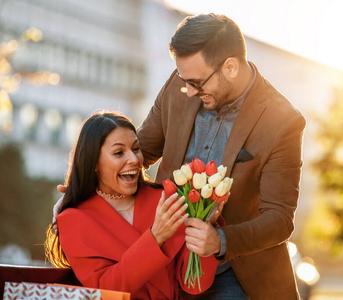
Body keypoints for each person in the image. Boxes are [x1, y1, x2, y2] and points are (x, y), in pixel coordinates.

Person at [136, 13, 307, 299]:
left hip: (235, 275)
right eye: (184, 79)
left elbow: (279, 219)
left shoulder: (283, 121)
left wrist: (220, 241)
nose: (189, 91)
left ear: (230, 67)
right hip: (166, 263)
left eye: (198, 82)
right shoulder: (179, 88)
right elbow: (140, 150)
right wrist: (89, 177)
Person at [45, 111, 223, 299]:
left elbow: (193, 284)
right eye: (119, 152)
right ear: (94, 161)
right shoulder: (74, 220)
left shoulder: (164, 201)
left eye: (136, 149)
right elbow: (106, 289)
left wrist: (205, 226)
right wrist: (156, 237)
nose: (134, 159)